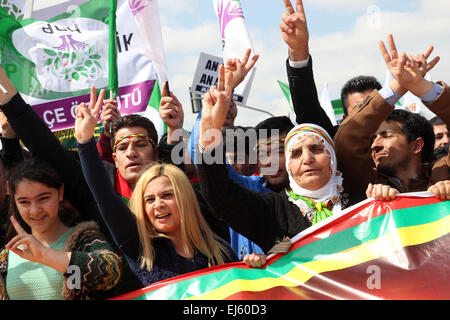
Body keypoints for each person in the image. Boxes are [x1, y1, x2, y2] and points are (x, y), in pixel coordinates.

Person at [74, 89, 237, 290]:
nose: (158, 205)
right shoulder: (140, 249)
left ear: (184, 198)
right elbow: (104, 197)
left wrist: (255, 265)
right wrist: (84, 143)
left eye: (167, 195)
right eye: (149, 200)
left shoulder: (221, 252)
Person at [196, 65, 346, 254]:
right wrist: (209, 133)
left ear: (332, 156)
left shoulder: (363, 196)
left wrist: (387, 198)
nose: (307, 159)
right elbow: (218, 192)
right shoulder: (273, 211)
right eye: (296, 153)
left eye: (316, 149)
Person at [334, 34, 450, 202]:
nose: (374, 145)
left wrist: (420, 86)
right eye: (373, 138)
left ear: (417, 145)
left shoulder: (444, 172)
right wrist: (398, 86)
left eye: (386, 135)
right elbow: (346, 139)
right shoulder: (367, 183)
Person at [0, 158, 122, 300]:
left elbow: (111, 271)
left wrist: (45, 255)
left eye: (43, 198)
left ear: (60, 193)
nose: (35, 211)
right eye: (24, 202)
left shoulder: (83, 241)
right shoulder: (6, 256)